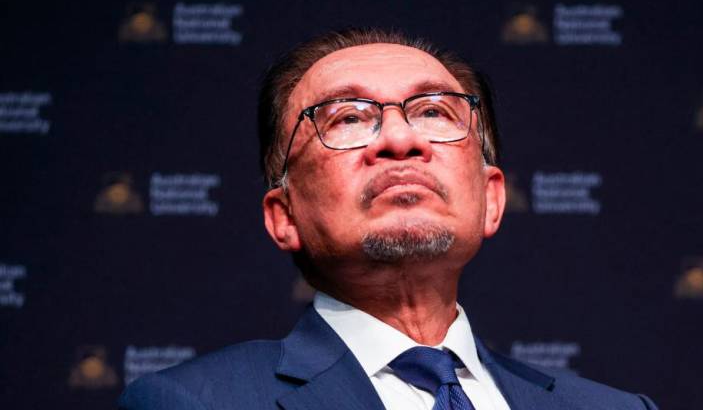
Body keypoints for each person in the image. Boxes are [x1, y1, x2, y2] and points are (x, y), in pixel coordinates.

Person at [119, 28, 657, 410]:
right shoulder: (194, 402)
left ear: (492, 198)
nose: (400, 140)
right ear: (285, 216)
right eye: (348, 118)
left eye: (433, 112)